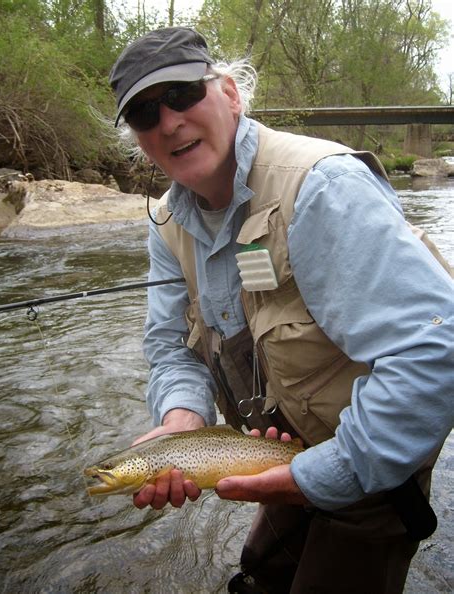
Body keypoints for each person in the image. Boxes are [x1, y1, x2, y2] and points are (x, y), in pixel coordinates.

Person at [109, 26, 453, 594]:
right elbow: (171, 349)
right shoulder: (167, 221)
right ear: (139, 139)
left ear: (229, 93)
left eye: (181, 95)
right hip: (276, 445)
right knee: (262, 576)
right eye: (145, 113)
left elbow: (434, 351)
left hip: (373, 460)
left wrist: (319, 475)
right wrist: (181, 423)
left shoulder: (323, 187)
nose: (168, 121)